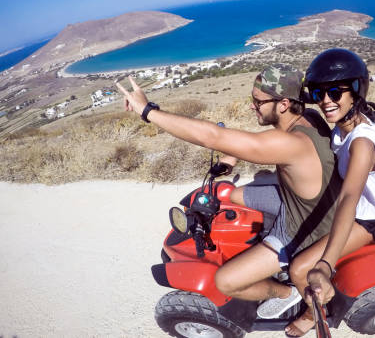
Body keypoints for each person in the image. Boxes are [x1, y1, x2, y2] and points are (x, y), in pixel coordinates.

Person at [116, 64, 342, 316]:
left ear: (284, 104)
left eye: (257, 101)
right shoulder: (308, 118)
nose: (251, 106)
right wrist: (231, 158)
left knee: (225, 281)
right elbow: (256, 144)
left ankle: (286, 294)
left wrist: (148, 111)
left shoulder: (292, 143)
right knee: (226, 194)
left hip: (305, 225)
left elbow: (212, 137)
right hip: (304, 199)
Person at [282, 48, 375, 337]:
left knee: (299, 269)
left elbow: (348, 199)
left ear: (356, 90)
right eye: (319, 94)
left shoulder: (361, 144)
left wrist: (324, 265)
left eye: (335, 92)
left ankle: (314, 311)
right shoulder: (344, 123)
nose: (326, 101)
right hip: (348, 205)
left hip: (366, 219)